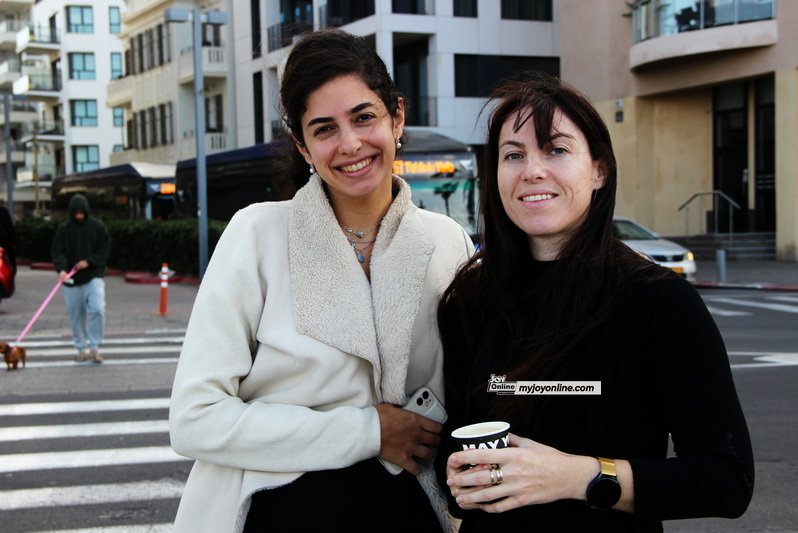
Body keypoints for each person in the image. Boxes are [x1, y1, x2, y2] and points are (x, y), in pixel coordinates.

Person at [169, 29, 473, 533]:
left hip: (410, 511)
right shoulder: (257, 234)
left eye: (364, 117)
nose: (350, 144)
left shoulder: (447, 241)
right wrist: (367, 431)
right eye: (324, 128)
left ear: (397, 117)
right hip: (278, 512)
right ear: (302, 145)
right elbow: (194, 418)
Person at [436, 74, 754, 532]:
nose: (532, 171)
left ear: (599, 170)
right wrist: (462, 476)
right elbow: (453, 457)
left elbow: (726, 479)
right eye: (513, 155)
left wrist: (576, 477)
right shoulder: (468, 301)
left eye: (556, 150)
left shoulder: (659, 301)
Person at [51, 194, 111, 363]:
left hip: (93, 276)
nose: (79, 216)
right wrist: (62, 269)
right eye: (76, 213)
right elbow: (58, 251)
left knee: (97, 308)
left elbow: (105, 247)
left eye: (81, 213)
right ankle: (81, 348)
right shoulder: (64, 229)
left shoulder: (97, 227)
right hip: (71, 280)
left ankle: (94, 347)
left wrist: (89, 261)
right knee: (76, 315)